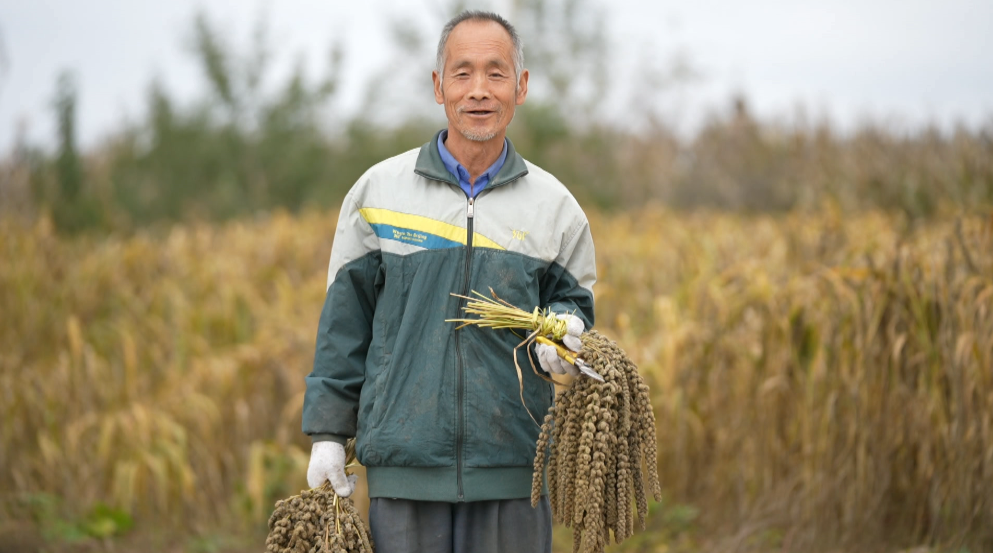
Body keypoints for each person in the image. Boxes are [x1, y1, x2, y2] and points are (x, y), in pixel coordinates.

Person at [302, 10, 596, 553]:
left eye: (496, 73)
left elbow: (573, 305)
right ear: (439, 86)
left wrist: (564, 335)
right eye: (463, 73)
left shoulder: (555, 208)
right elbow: (344, 327)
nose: (479, 90)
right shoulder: (378, 193)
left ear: (521, 87)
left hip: (514, 473)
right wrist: (327, 434)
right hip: (405, 473)